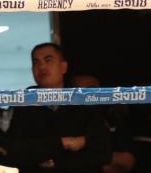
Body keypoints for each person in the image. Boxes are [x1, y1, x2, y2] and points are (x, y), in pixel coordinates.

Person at [7, 43, 112, 172]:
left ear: (63, 67)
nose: (41, 67)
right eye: (36, 63)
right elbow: (15, 150)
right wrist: (64, 142)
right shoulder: (25, 102)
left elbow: (103, 151)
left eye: (48, 60)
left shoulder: (82, 100)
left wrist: (57, 162)